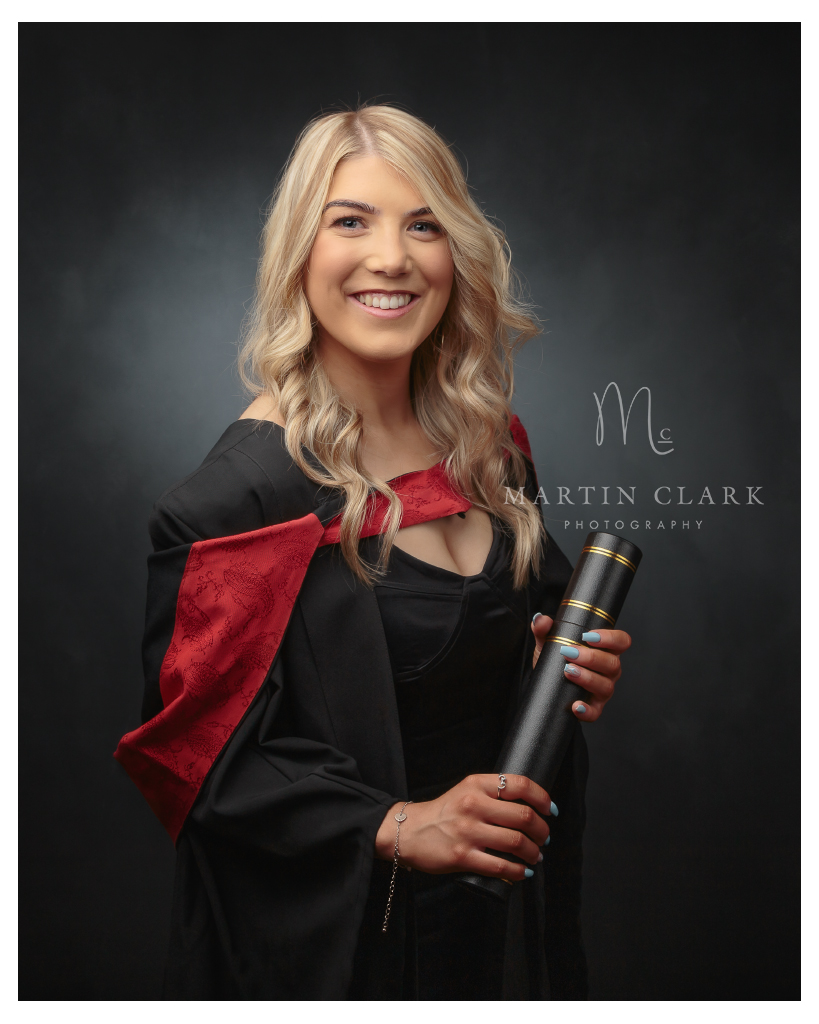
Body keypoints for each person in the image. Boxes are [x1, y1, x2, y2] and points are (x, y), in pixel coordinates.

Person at [115, 104, 631, 1001]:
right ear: (298, 255)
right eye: (349, 220)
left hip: (500, 933)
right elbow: (199, 760)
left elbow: (516, 629)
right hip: (349, 956)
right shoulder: (240, 503)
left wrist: (561, 658)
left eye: (422, 224)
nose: (391, 258)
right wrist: (396, 823)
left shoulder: (487, 448)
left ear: (454, 253)